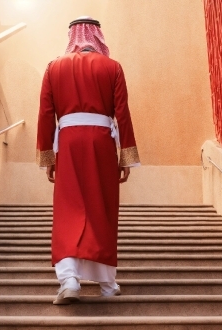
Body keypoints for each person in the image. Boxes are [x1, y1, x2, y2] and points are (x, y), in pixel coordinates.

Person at [36, 16, 140, 305]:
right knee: (101, 208)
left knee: (68, 209)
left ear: (72, 35)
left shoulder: (54, 67)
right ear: (98, 36)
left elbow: (46, 113)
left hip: (68, 145)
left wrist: (48, 157)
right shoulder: (113, 67)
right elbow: (123, 112)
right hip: (101, 143)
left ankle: (69, 279)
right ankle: (107, 284)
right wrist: (126, 155)